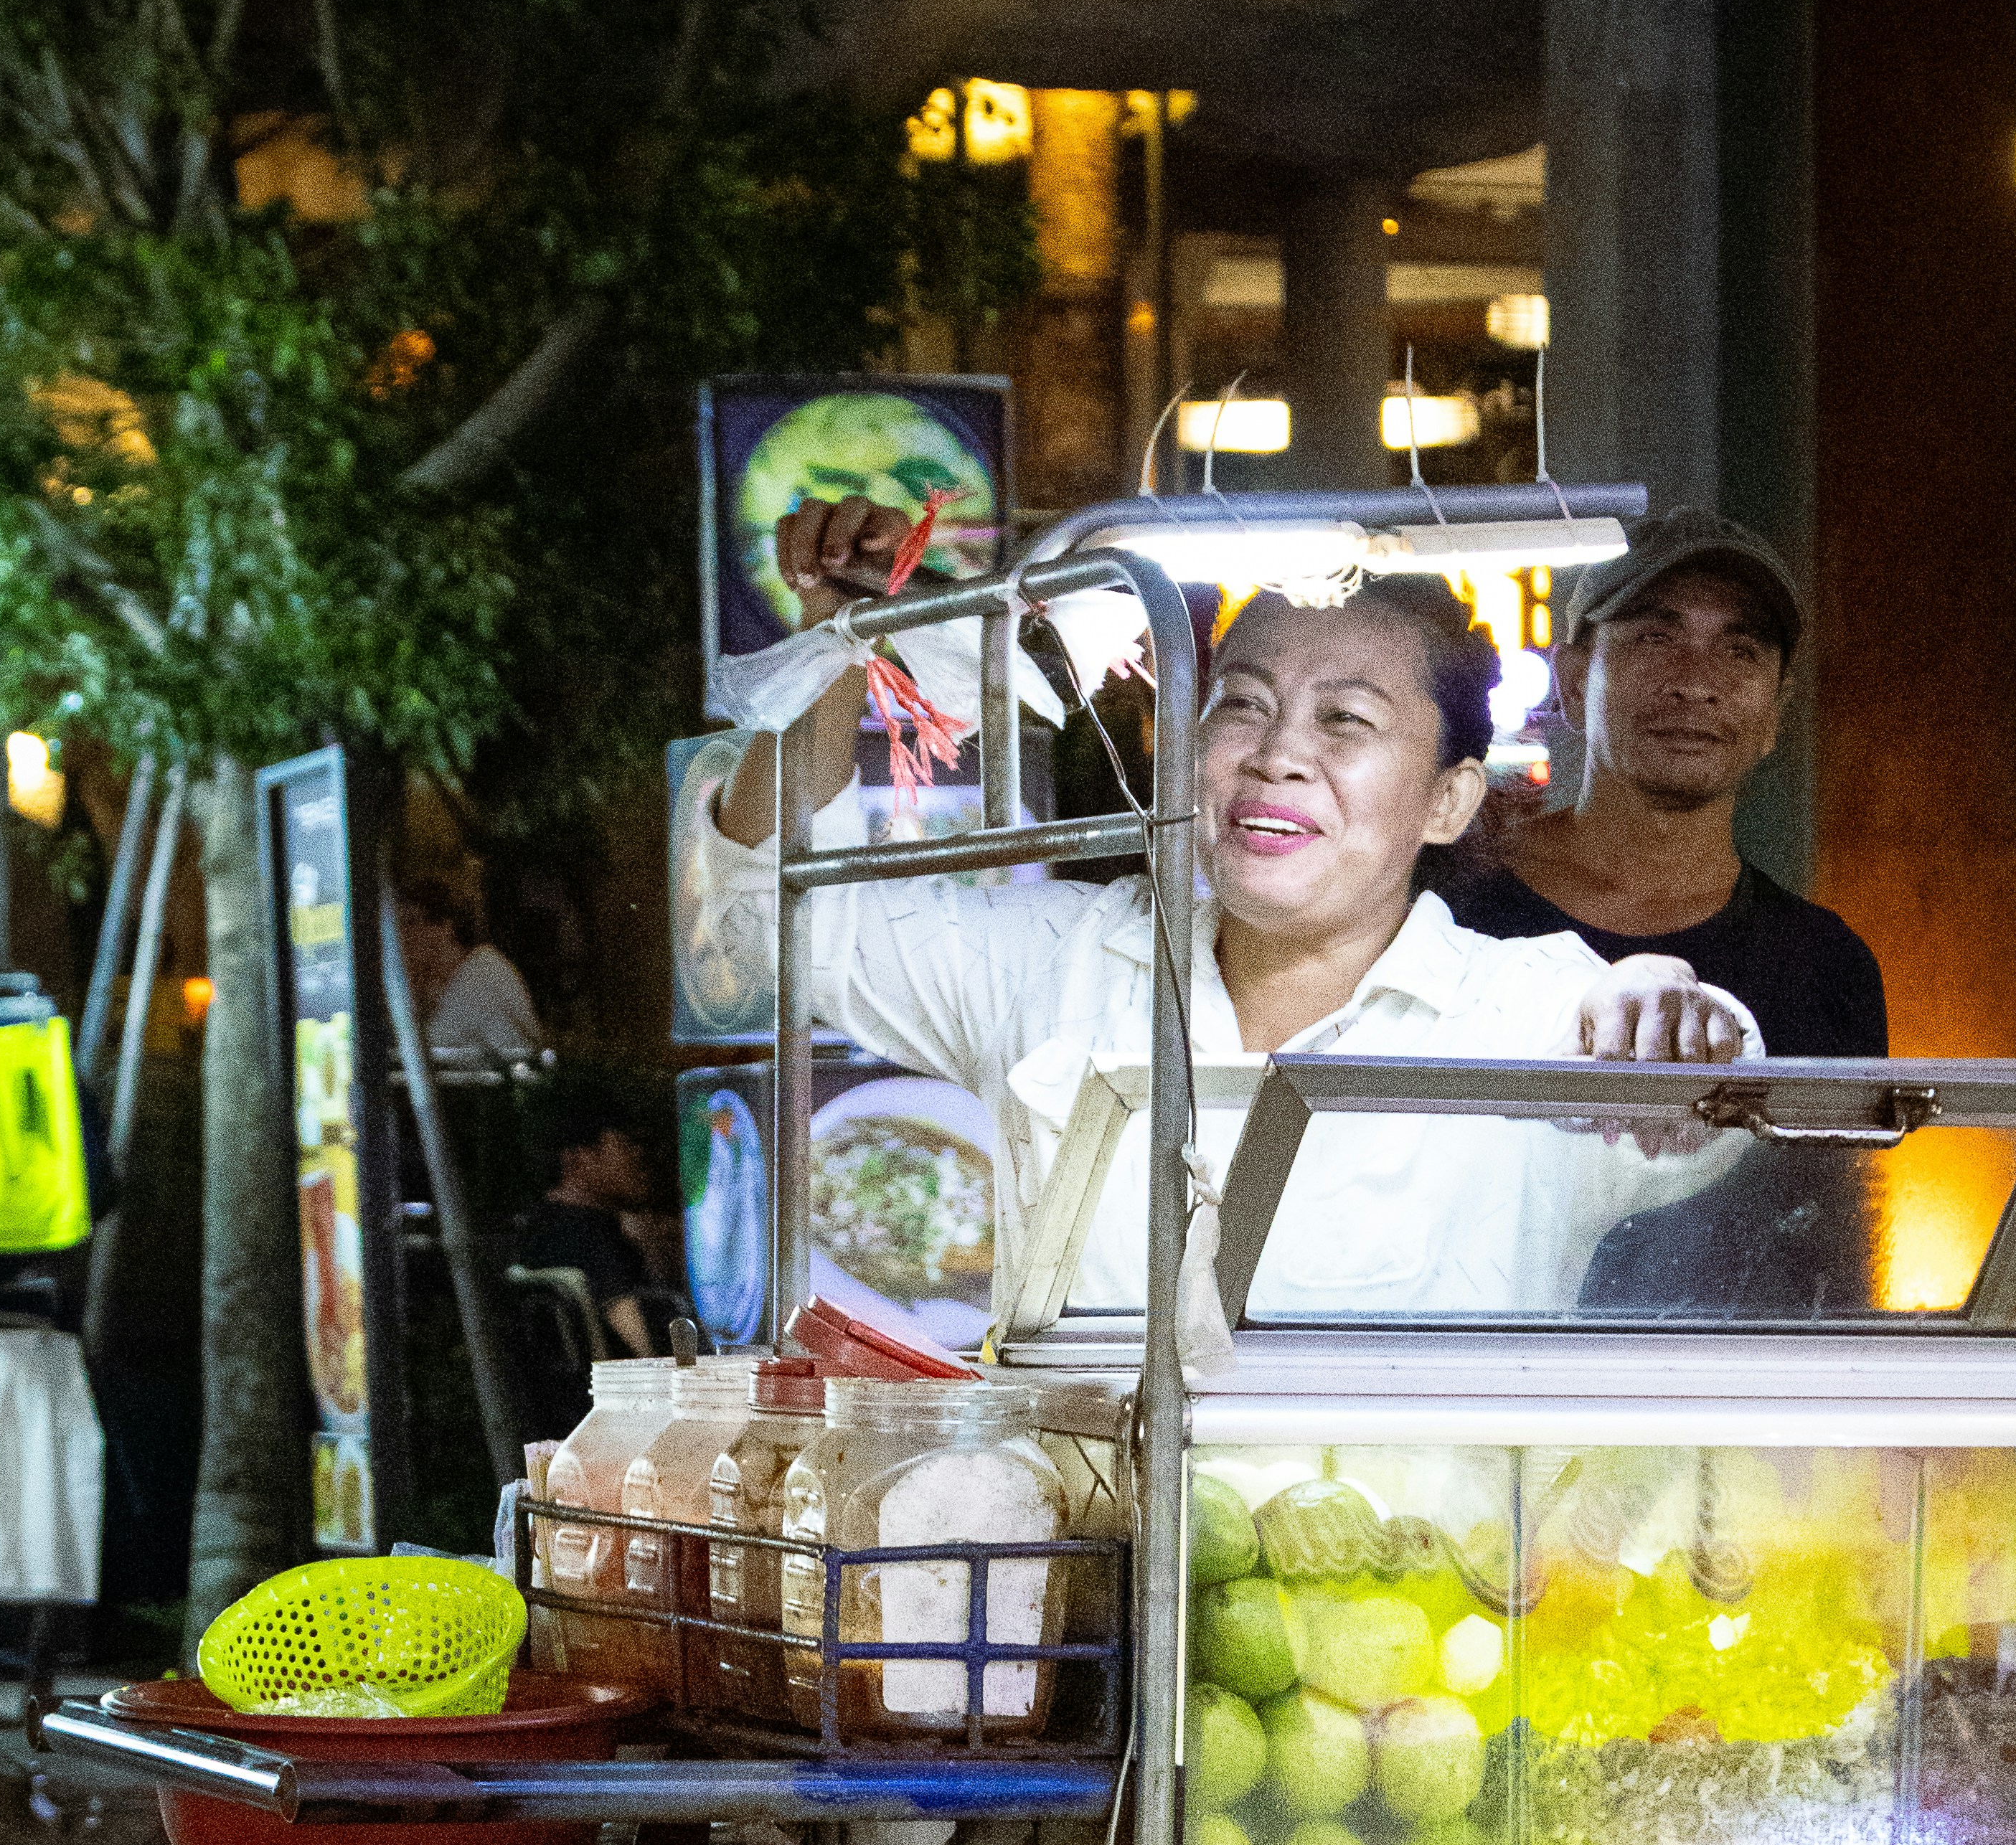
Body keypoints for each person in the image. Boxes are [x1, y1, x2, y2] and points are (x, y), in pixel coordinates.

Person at [704, 501, 1759, 1326]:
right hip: (1096, 1585)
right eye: (1242, 705)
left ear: (1449, 799)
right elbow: (779, 913)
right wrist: (835, 634)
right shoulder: (1061, 962)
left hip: (1431, 1591)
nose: (1278, 754)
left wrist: (1671, 1018)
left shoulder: (1521, 1011)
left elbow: (1702, 1090)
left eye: (1345, 720)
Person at [1443, 511, 1887, 1060]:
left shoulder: (1825, 968)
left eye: (1739, 650)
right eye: (1656, 638)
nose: (1697, 683)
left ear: (1776, 711)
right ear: (1575, 683)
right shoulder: (1444, 912)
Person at [514, 1085, 685, 1354]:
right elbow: (624, 1314)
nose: (638, 1154)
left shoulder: (540, 1225)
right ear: (579, 1157)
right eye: (625, 1144)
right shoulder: (588, 1234)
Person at [393, 878, 545, 1072]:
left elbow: (521, 1062)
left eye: (410, 923)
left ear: (444, 927)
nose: (403, 936)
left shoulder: (481, 975)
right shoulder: (441, 985)